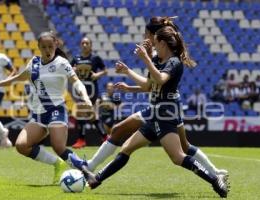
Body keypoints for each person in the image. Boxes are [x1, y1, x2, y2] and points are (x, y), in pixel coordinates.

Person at [79, 24, 230, 198]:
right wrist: (130, 76)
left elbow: (161, 79)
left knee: (178, 156)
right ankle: (96, 179)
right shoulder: (159, 60)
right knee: (127, 147)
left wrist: (146, 58)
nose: (154, 45)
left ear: (163, 43)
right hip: (155, 113)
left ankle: (214, 179)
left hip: (165, 113)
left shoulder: (174, 62)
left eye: (156, 43)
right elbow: (149, 85)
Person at [0, 31, 92, 184]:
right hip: (38, 114)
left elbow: (76, 82)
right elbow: (18, 77)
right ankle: (57, 163)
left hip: (56, 110)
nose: (48, 50)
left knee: (58, 146)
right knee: (21, 146)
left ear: (55, 45)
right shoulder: (34, 62)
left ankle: (86, 171)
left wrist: (85, 97)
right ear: (39, 47)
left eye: (50, 46)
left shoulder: (62, 63)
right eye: (44, 47)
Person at [71, 36, 108, 148]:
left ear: (91, 45)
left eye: (87, 43)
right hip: (80, 89)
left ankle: (82, 139)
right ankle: (104, 136)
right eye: (83, 43)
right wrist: (73, 70)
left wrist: (97, 75)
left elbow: (105, 71)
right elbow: (69, 69)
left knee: (86, 112)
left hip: (91, 89)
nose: (85, 45)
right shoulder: (76, 58)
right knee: (90, 114)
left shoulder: (95, 58)